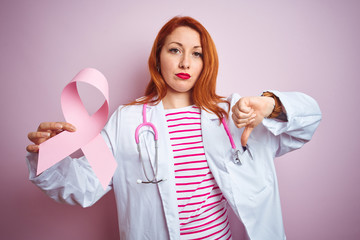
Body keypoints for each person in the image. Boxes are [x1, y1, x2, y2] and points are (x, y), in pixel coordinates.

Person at [26, 16, 321, 240]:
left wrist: (270, 105)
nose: (184, 62)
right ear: (158, 58)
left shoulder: (234, 114)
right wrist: (50, 155)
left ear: (207, 62)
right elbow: (86, 186)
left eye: (196, 53)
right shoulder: (126, 120)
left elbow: (307, 121)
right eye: (175, 50)